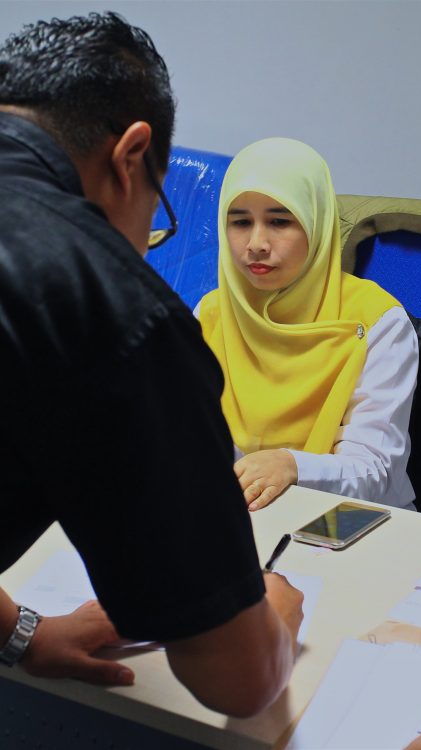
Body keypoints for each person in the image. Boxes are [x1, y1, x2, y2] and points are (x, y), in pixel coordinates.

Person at [0, 13, 303, 718]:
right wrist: (278, 613)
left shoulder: (375, 320)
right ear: (131, 156)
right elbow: (239, 680)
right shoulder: (112, 305)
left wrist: (17, 630)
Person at [197, 137, 419, 512]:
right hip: (241, 514)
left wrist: (291, 465)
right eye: (240, 222)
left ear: (317, 223)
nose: (256, 243)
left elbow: (374, 471)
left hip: (353, 518)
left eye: (279, 221)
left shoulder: (378, 321)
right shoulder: (210, 314)